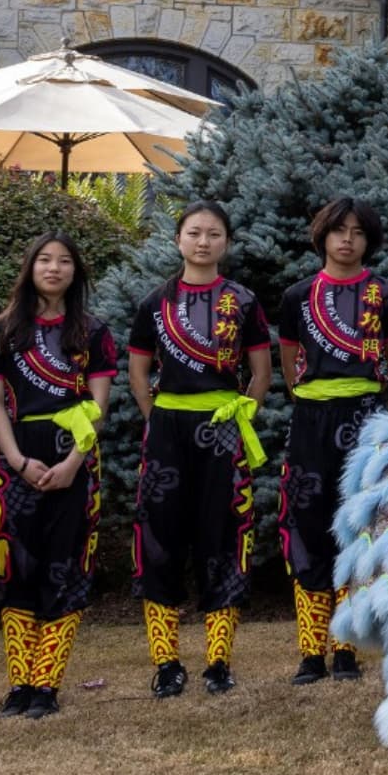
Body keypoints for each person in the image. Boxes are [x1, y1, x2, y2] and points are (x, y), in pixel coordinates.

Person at [127, 201, 273, 699]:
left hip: (224, 431)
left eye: (213, 233)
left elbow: (261, 373)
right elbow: (138, 371)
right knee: (159, 539)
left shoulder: (244, 300)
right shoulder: (154, 302)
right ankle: (166, 662)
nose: (203, 241)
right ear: (178, 240)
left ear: (225, 242)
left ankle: (218, 660)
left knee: (224, 536)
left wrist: (240, 418)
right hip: (168, 428)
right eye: (194, 232)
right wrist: (158, 418)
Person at [0, 233, 117, 720]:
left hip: (74, 459)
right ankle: (19, 683)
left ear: (76, 272)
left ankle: (47, 684)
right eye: (45, 259)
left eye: (64, 261)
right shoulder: (1, 333)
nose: (54, 268)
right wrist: (16, 460)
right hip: (18, 460)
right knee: (16, 568)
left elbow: (98, 406)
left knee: (67, 564)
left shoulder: (93, 333)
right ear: (29, 266)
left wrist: (74, 462)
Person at [276, 197, 388, 685]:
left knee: (359, 525)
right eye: (338, 230)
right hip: (311, 417)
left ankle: (348, 646)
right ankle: (312, 651)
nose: (347, 239)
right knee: (307, 522)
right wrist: (313, 396)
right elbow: (289, 362)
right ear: (322, 236)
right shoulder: (296, 296)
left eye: (358, 232)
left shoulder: (386, 293)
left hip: (366, 416)